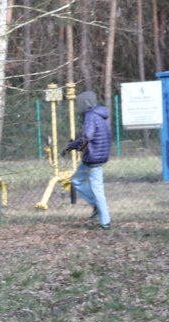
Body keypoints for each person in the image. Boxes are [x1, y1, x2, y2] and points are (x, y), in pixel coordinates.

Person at [65, 90, 112, 229]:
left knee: (97, 189)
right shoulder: (101, 115)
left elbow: (88, 136)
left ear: (84, 103)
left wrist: (72, 146)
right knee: (76, 180)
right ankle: (96, 206)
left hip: (93, 157)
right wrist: (77, 144)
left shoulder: (90, 115)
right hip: (98, 155)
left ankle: (105, 221)